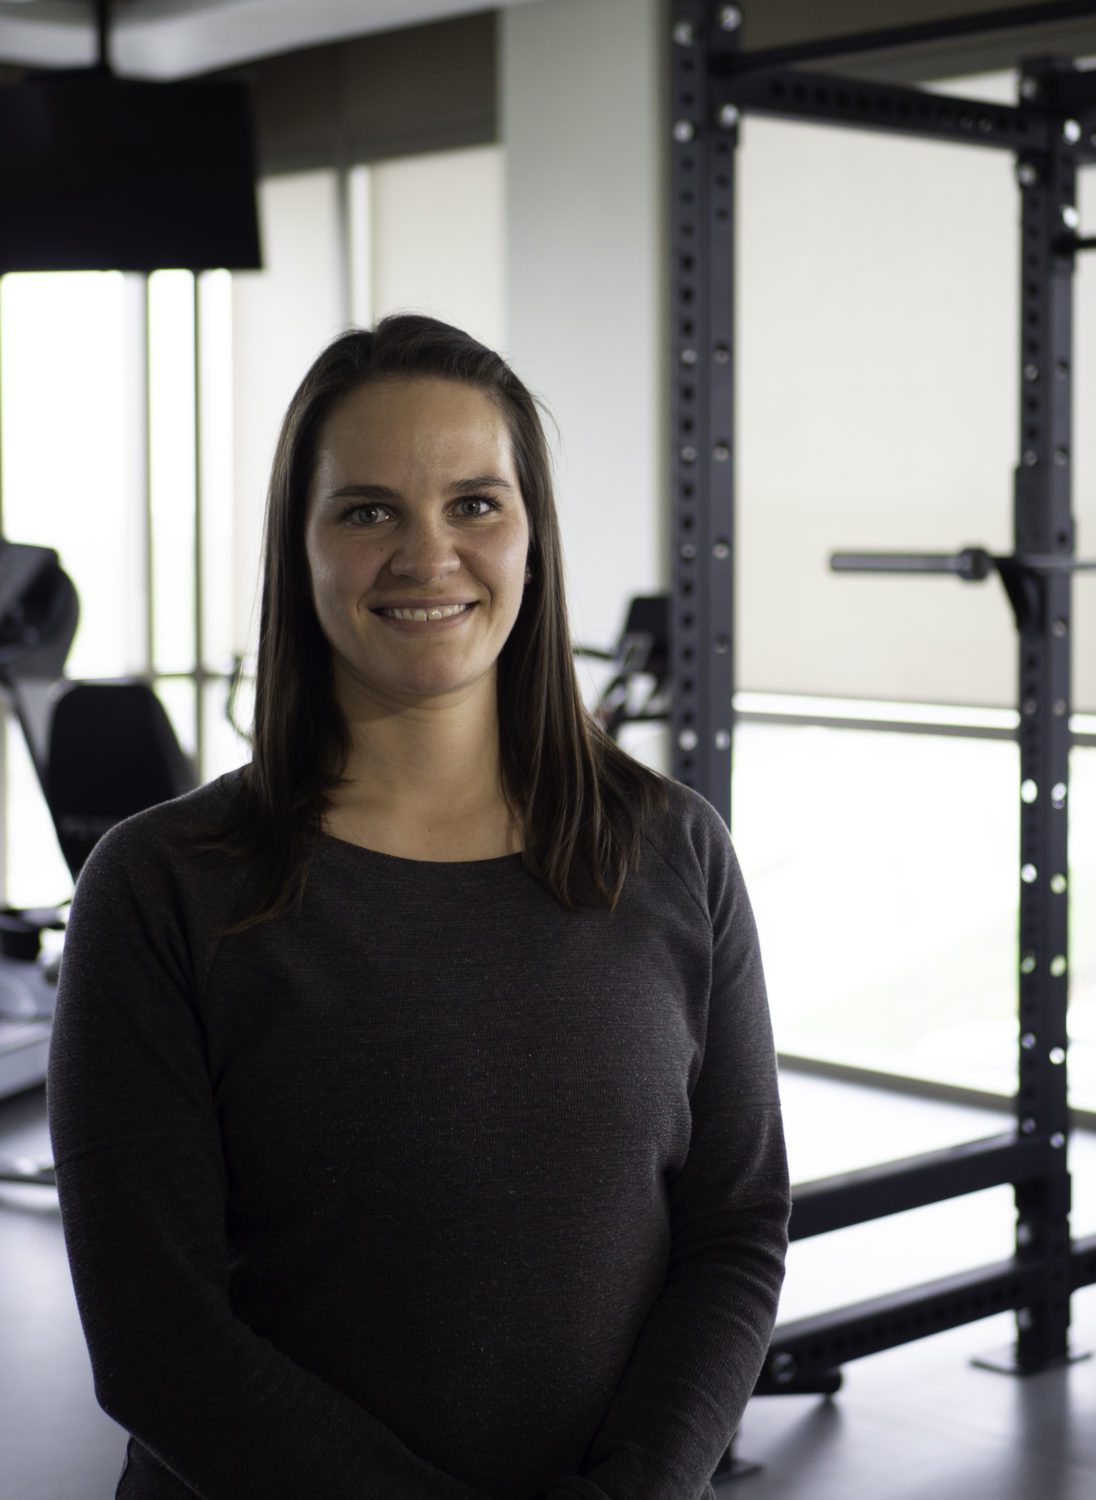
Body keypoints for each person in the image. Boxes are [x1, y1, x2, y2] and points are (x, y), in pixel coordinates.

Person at [47, 314, 792, 1500]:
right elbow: (158, 1339)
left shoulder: (674, 851)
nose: (427, 555)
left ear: (534, 541)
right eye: (368, 510)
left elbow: (736, 1229)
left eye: (475, 505)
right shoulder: (160, 885)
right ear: (299, 548)